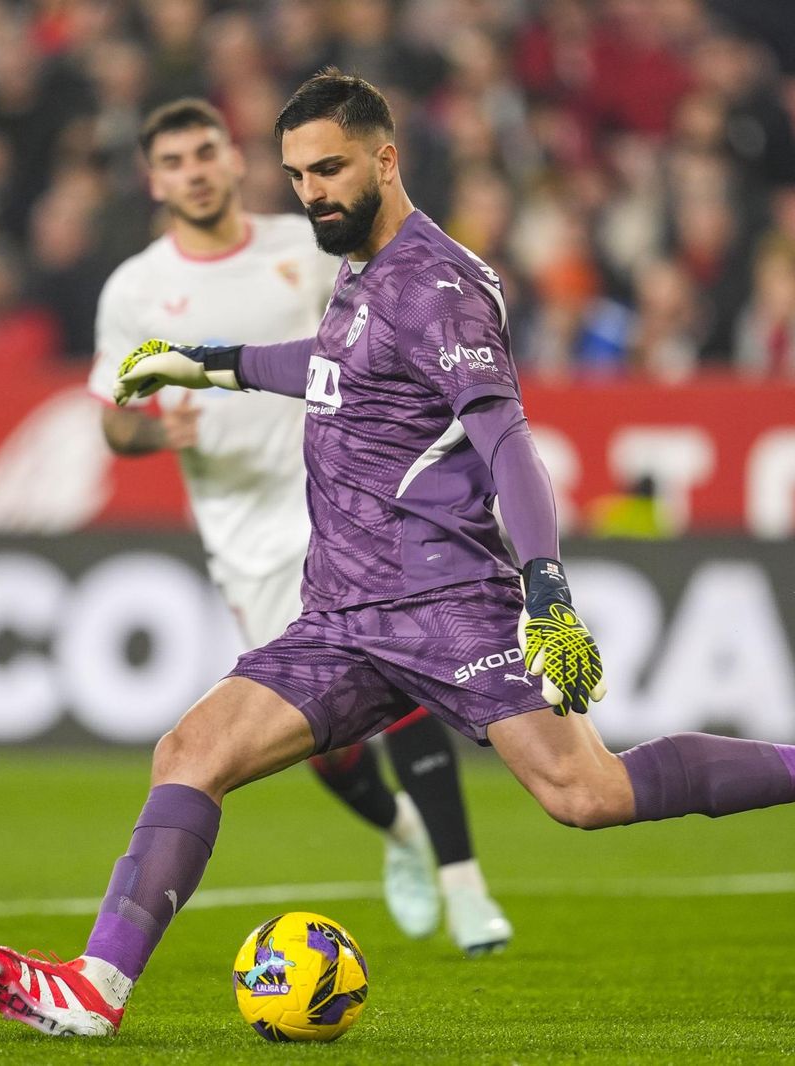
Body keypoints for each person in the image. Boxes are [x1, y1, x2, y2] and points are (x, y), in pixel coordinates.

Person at [0, 70, 795, 1039]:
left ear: (385, 158)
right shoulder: (357, 275)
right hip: (341, 615)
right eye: (299, 175)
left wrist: (544, 590)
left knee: (588, 794)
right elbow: (331, 369)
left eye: (331, 170)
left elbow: (504, 442)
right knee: (190, 753)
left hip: (450, 603)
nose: (313, 192)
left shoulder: (439, 286)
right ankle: (96, 990)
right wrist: (212, 364)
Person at [83, 98, 512, 956]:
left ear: (232, 159)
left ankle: (465, 882)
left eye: (206, 151)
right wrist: (150, 426)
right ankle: (401, 834)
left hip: (357, 504)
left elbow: (376, 341)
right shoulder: (134, 288)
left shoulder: (306, 245)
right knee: (318, 739)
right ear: (153, 179)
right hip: (248, 537)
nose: (195, 171)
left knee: (408, 673)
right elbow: (113, 416)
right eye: (174, 162)